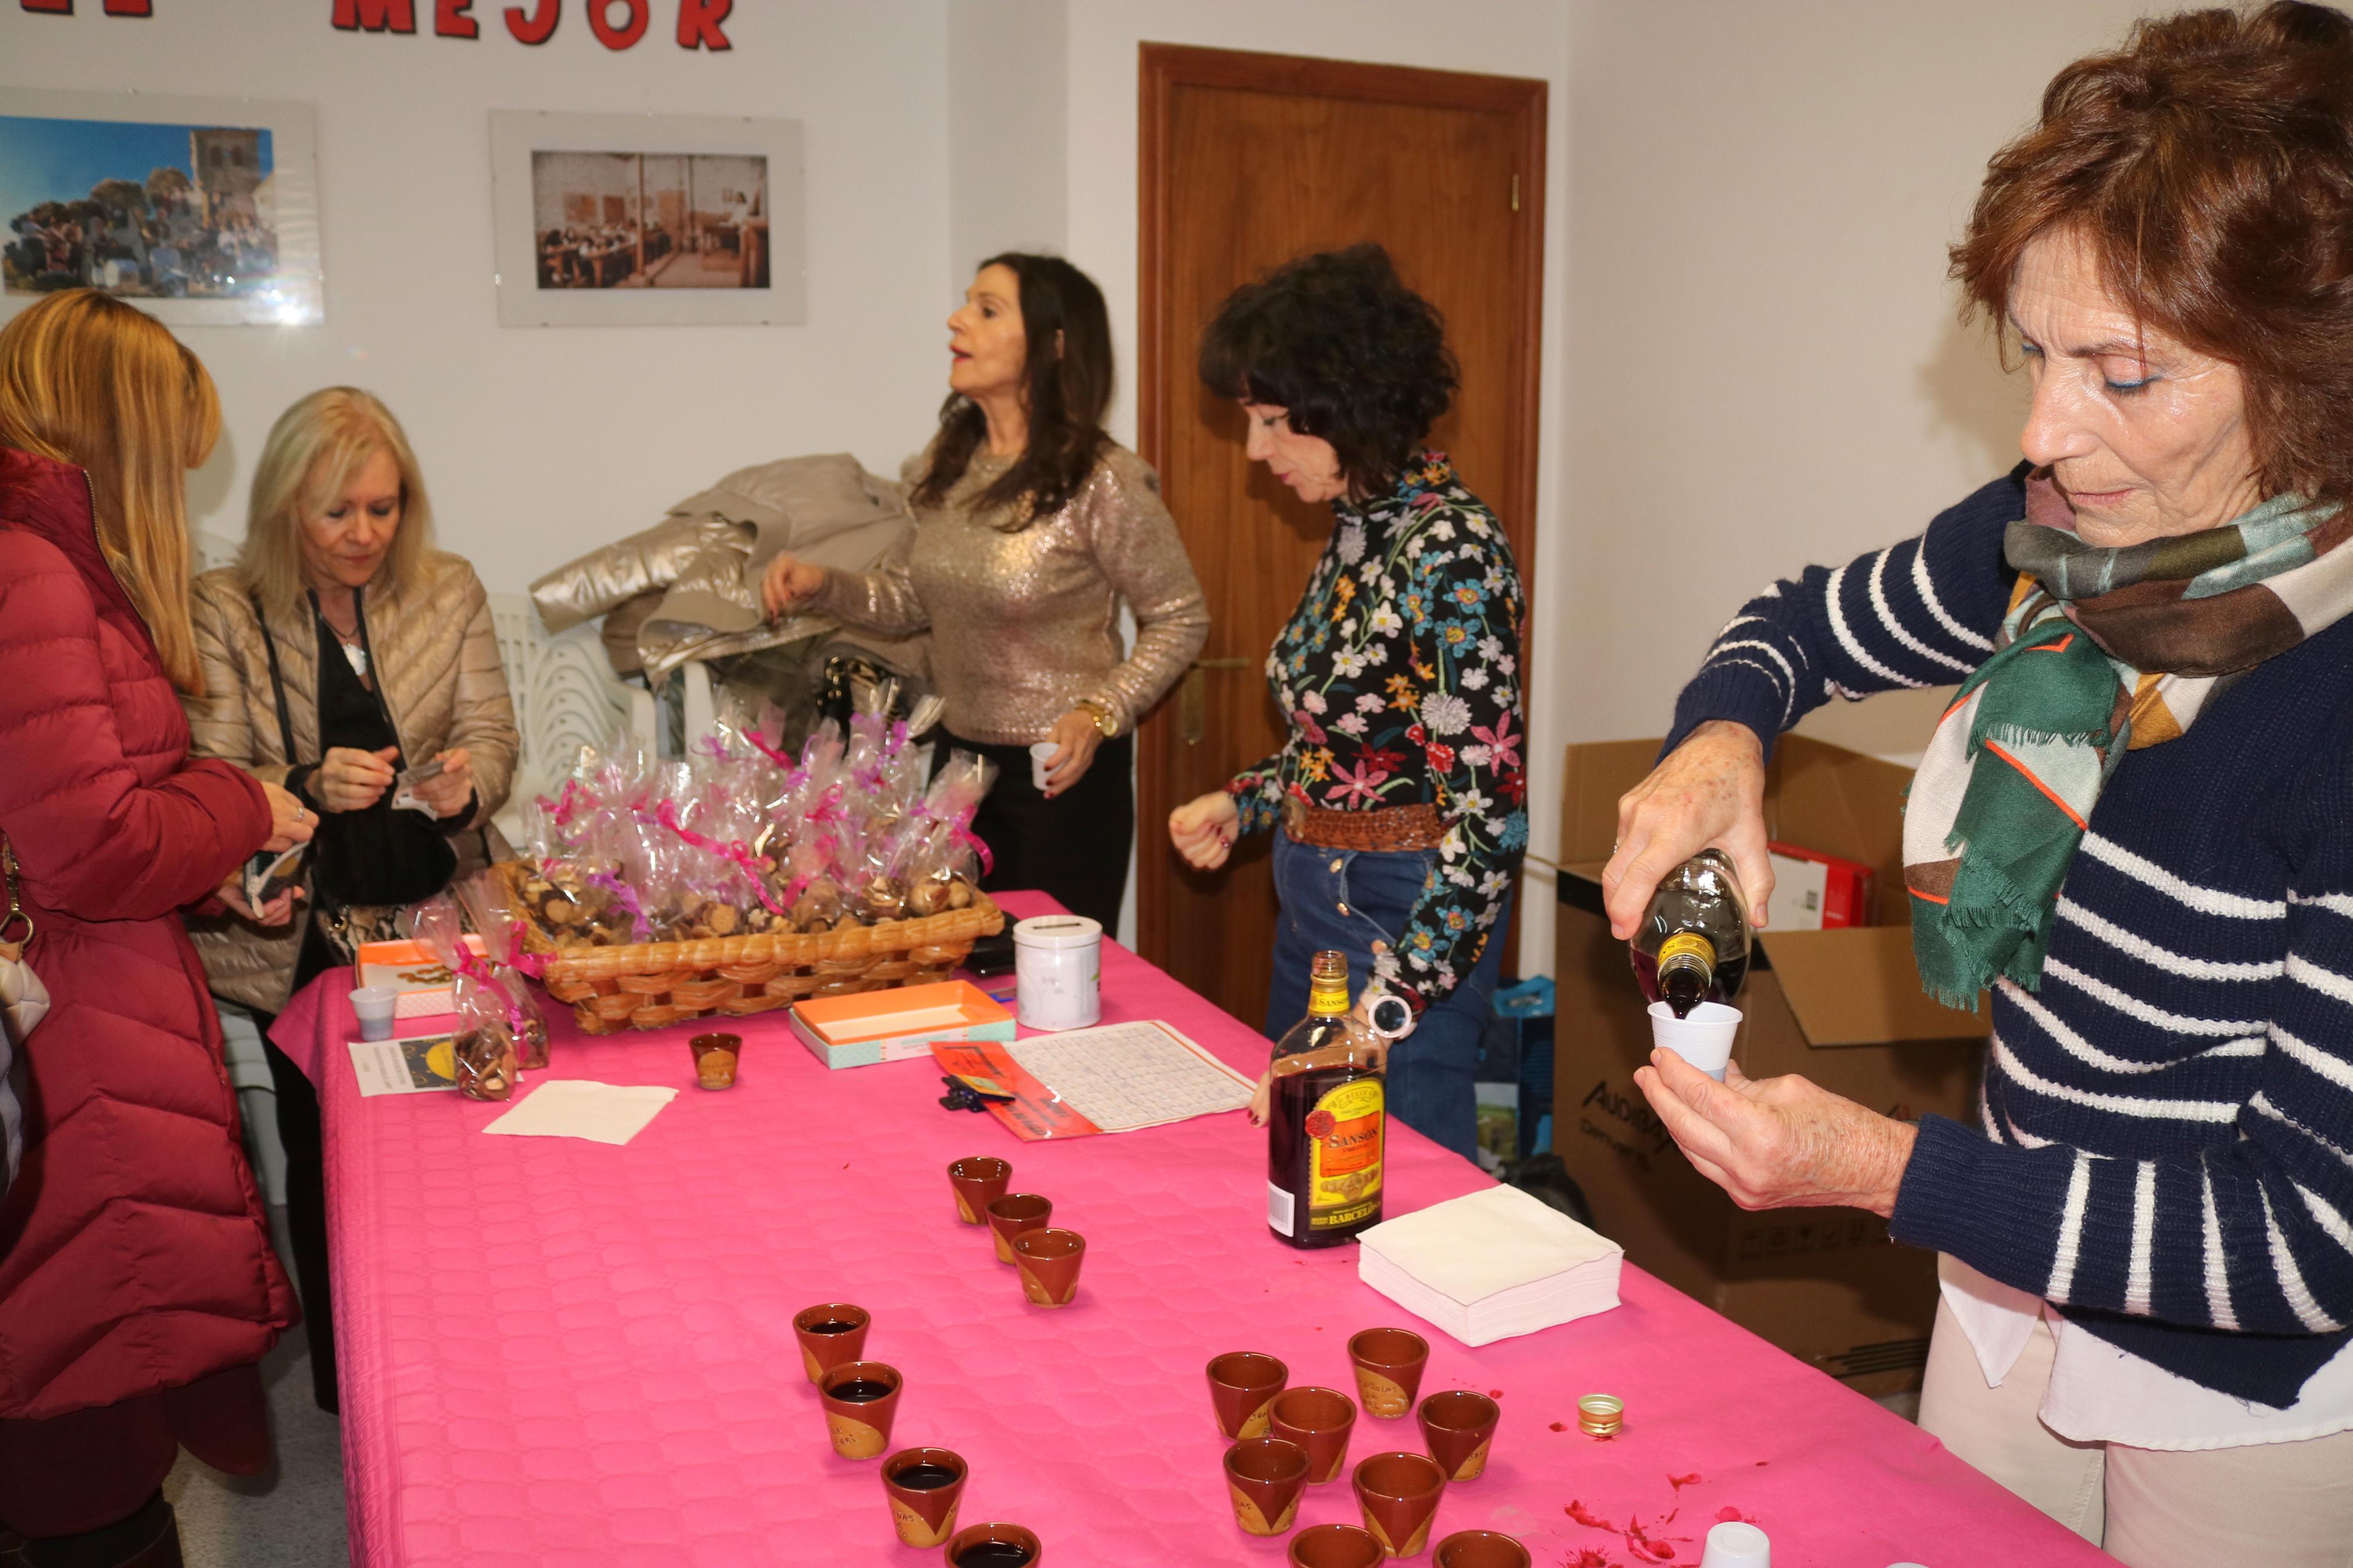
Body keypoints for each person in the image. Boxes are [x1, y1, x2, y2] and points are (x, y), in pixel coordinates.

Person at [1606, 8, 2353, 1563]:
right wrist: (1716, 741)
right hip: (2007, 1280)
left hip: (2241, 1384)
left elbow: (2304, 1239)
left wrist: (1877, 1167)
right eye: (2033, 352)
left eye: (2120, 373)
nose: (2040, 431)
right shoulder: (2072, 538)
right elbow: (1796, 624)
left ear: (2309, 372)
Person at [0, 289, 313, 1567]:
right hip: (73, 1066)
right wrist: (240, 801)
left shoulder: (44, 560)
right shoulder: (27, 569)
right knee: (85, 1452)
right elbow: (89, 844)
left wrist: (210, 878)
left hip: (95, 1011)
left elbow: (57, 830)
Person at [183, 386, 519, 1414]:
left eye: (385, 508)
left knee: (467, 1140)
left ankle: (474, 1360)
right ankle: (357, 1392)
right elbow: (215, 774)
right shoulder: (225, 606)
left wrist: (471, 786)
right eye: (340, 514)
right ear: (289, 509)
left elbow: (495, 739)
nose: (367, 534)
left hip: (435, 907)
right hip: (300, 938)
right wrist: (301, 786)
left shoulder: (447, 587)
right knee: (337, 1161)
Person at [1168, 245, 1527, 1161]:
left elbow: (1486, 817)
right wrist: (1247, 799)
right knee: (1303, 1162)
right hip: (1317, 904)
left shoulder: (1449, 549)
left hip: (1400, 924)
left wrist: (1389, 1005)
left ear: (1354, 404)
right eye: (1252, 419)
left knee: (1395, 1183)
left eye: (1276, 420)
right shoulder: (1362, 529)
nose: (1256, 450)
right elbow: (1358, 739)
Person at [761, 253, 1208, 930]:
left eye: (987, 309)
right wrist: (821, 586)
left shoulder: (1102, 479)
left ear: (1054, 346)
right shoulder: (947, 465)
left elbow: (1180, 617)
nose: (957, 319)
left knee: (1051, 986)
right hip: (961, 769)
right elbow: (917, 604)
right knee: (962, 966)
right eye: (966, 303)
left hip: (1061, 779)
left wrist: (1100, 712)